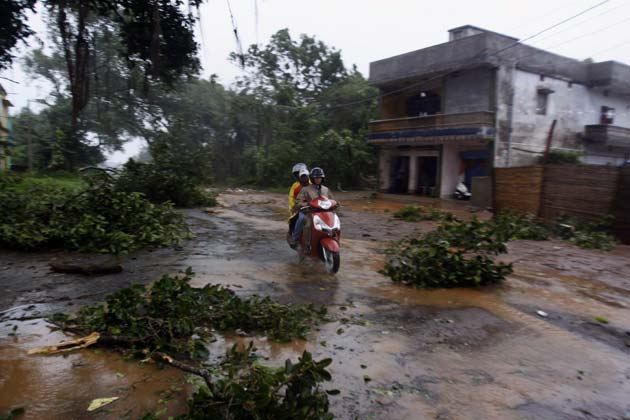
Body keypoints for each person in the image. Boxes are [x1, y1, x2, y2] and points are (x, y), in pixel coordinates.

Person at [291, 167, 335, 254]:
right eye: (316, 178)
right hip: (310, 212)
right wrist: (306, 205)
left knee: (335, 222)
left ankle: (334, 240)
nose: (318, 180)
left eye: (320, 178)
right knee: (307, 223)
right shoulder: (305, 189)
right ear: (312, 178)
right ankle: (306, 245)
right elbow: (299, 201)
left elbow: (332, 200)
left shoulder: (326, 189)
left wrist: (336, 205)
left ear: (322, 178)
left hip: (324, 212)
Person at [288, 163, 309, 236]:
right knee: (298, 218)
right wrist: (294, 207)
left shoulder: (312, 183)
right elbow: (291, 198)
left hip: (313, 206)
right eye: (297, 174)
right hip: (300, 208)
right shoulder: (295, 186)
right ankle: (294, 237)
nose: (299, 175)